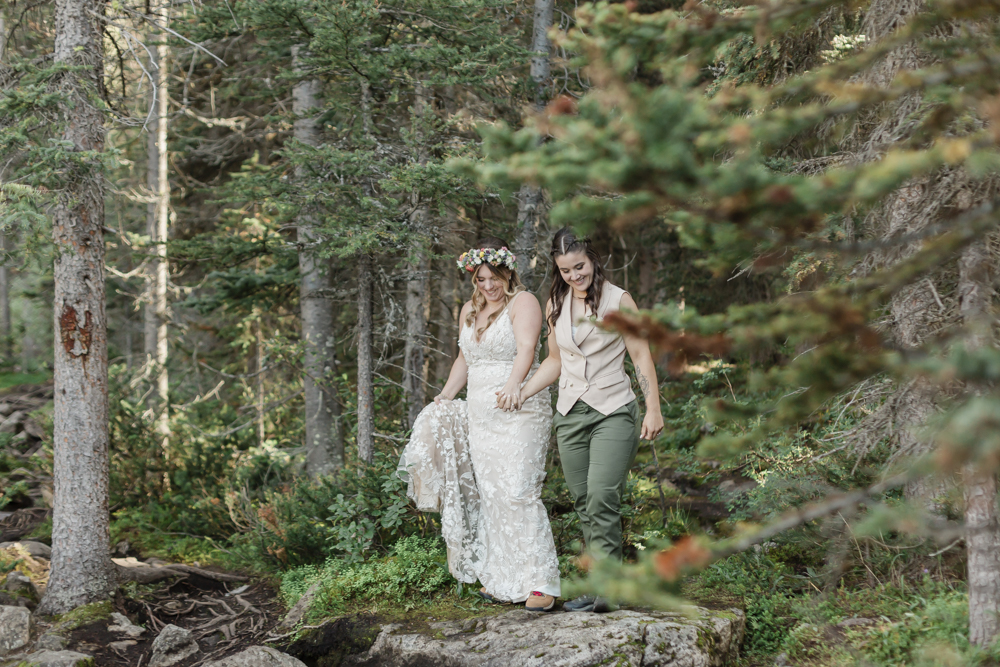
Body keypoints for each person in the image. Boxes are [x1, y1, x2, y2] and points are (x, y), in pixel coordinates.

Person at [398, 238, 561, 612]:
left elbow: (526, 348)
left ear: (508, 273)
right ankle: (504, 581)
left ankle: (541, 583)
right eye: (481, 278)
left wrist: (514, 385)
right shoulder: (470, 310)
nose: (489, 285)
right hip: (480, 414)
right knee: (493, 494)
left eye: (495, 277)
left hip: (519, 407)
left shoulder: (524, 302)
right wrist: (445, 395)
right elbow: (463, 360)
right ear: (474, 278)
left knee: (519, 490)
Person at [509, 228, 664, 613]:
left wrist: (654, 408)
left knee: (601, 495)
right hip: (570, 413)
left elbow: (641, 356)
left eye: (579, 267)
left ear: (592, 259)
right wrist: (522, 392)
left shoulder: (619, 299)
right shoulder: (556, 301)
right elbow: (555, 361)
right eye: (565, 271)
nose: (574, 276)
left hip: (613, 409)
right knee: (583, 502)